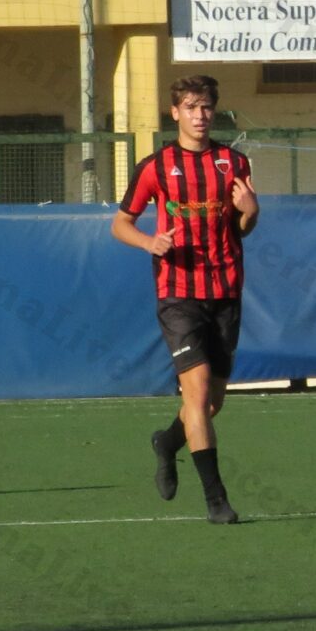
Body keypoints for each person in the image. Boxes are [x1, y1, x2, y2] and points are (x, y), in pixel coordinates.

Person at [111, 75, 257, 524]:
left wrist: (251, 209)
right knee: (195, 397)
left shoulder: (234, 162)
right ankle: (217, 501)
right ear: (174, 113)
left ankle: (168, 442)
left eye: (207, 106)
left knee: (212, 403)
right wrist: (148, 243)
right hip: (178, 295)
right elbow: (121, 224)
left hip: (226, 292)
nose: (200, 114)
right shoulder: (155, 166)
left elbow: (242, 227)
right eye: (191, 107)